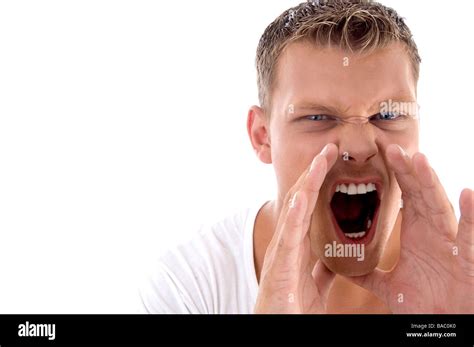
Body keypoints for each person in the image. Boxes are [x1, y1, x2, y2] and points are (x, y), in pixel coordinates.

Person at [139, 0, 473, 314]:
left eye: (386, 115)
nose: (358, 147)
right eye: (318, 118)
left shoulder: (465, 282)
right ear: (262, 136)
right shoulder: (188, 286)